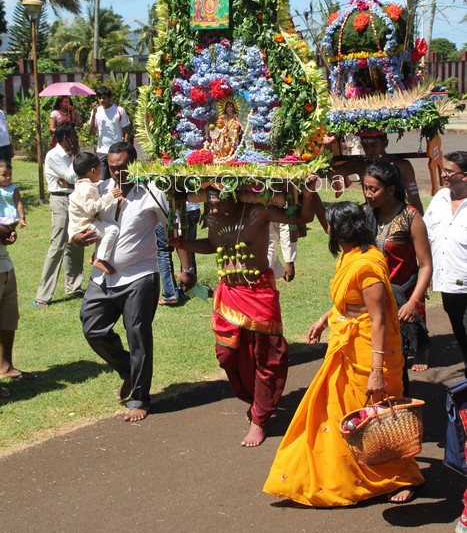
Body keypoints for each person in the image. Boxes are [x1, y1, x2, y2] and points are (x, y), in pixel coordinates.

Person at [263, 201, 424, 506]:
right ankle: (351, 475)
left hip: (369, 355)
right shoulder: (351, 255)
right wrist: (324, 320)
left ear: (341, 231)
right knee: (339, 414)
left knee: (377, 416)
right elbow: (350, 303)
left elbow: (378, 319)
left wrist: (376, 371)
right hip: (345, 348)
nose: (328, 231)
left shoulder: (367, 265)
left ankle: (402, 477)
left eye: (332, 227)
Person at [172, 179, 316, 447]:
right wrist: (185, 243)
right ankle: (256, 400)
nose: (213, 207)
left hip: (259, 292)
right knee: (227, 355)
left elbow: (302, 218)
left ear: (236, 194)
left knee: (268, 356)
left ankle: (260, 419)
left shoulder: (259, 212)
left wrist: (307, 192)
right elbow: (213, 244)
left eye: (219, 200)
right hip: (229, 294)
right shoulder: (213, 219)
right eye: (210, 200)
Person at [76, 142, 195, 422]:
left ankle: (140, 396)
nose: (117, 173)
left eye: (122, 168)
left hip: (140, 275)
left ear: (135, 165)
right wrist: (76, 238)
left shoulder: (151, 192)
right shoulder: (101, 189)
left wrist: (186, 268)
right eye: (112, 167)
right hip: (102, 275)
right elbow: (81, 222)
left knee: (137, 334)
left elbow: (173, 230)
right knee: (92, 326)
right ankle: (129, 370)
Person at [363, 160, 432, 384]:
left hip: (399, 302)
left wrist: (412, 302)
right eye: (365, 187)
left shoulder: (411, 218)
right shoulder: (366, 215)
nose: (367, 194)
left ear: (391, 190)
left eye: (374, 189)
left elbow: (425, 265)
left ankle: (398, 410)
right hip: (371, 300)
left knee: (395, 363)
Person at [424, 151, 467, 377]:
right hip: (448, 283)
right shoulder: (440, 198)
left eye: (449, 171)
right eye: (444, 170)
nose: (444, 175)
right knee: (460, 332)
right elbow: (428, 234)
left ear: (465, 176)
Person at [34, 122, 84, 308]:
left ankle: (74, 286)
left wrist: (71, 178)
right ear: (64, 138)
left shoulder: (71, 154)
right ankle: (44, 295)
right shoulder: (53, 155)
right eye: (73, 135)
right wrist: (74, 161)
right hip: (60, 200)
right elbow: (71, 177)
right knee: (58, 245)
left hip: (74, 198)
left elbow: (77, 178)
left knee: (77, 241)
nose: (76, 138)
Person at [331, 130, 424, 213]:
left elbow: (415, 199)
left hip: (396, 215)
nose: (369, 150)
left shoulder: (402, 166)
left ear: (385, 143)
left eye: (373, 145)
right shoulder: (360, 165)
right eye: (365, 145)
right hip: (371, 216)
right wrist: (326, 145)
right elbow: (329, 171)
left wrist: (420, 223)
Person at [68, 152, 120, 275]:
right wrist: (110, 196)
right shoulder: (87, 189)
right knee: (112, 230)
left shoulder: (82, 185)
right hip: (85, 226)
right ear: (93, 171)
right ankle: (100, 259)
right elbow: (91, 209)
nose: (102, 171)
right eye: (100, 169)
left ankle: (95, 256)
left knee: (105, 231)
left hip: (83, 224)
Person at [0, 221, 37, 393]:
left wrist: (8, 234)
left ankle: (5, 367)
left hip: (5, 265)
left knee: (8, 318)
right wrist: (7, 228)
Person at [88, 86, 129, 179]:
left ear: (110, 98)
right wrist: (94, 114)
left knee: (118, 178)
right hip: (102, 151)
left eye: (104, 98)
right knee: (102, 180)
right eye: (99, 98)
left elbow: (126, 132)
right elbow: (90, 131)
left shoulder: (119, 110)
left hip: (117, 151)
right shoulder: (96, 111)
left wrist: (125, 149)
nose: (102, 100)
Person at [0, 161, 27, 230]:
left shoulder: (13, 189)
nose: (8, 177)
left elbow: (19, 204)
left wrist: (22, 218)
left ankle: (11, 232)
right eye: (4, 175)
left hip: (10, 217)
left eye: (10, 174)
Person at [0, 94, 13, 165]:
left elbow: (5, 130)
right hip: (0, 147)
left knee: (8, 168)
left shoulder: (1, 113)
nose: (3, 104)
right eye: (1, 102)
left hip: (6, 145)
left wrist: (10, 146)